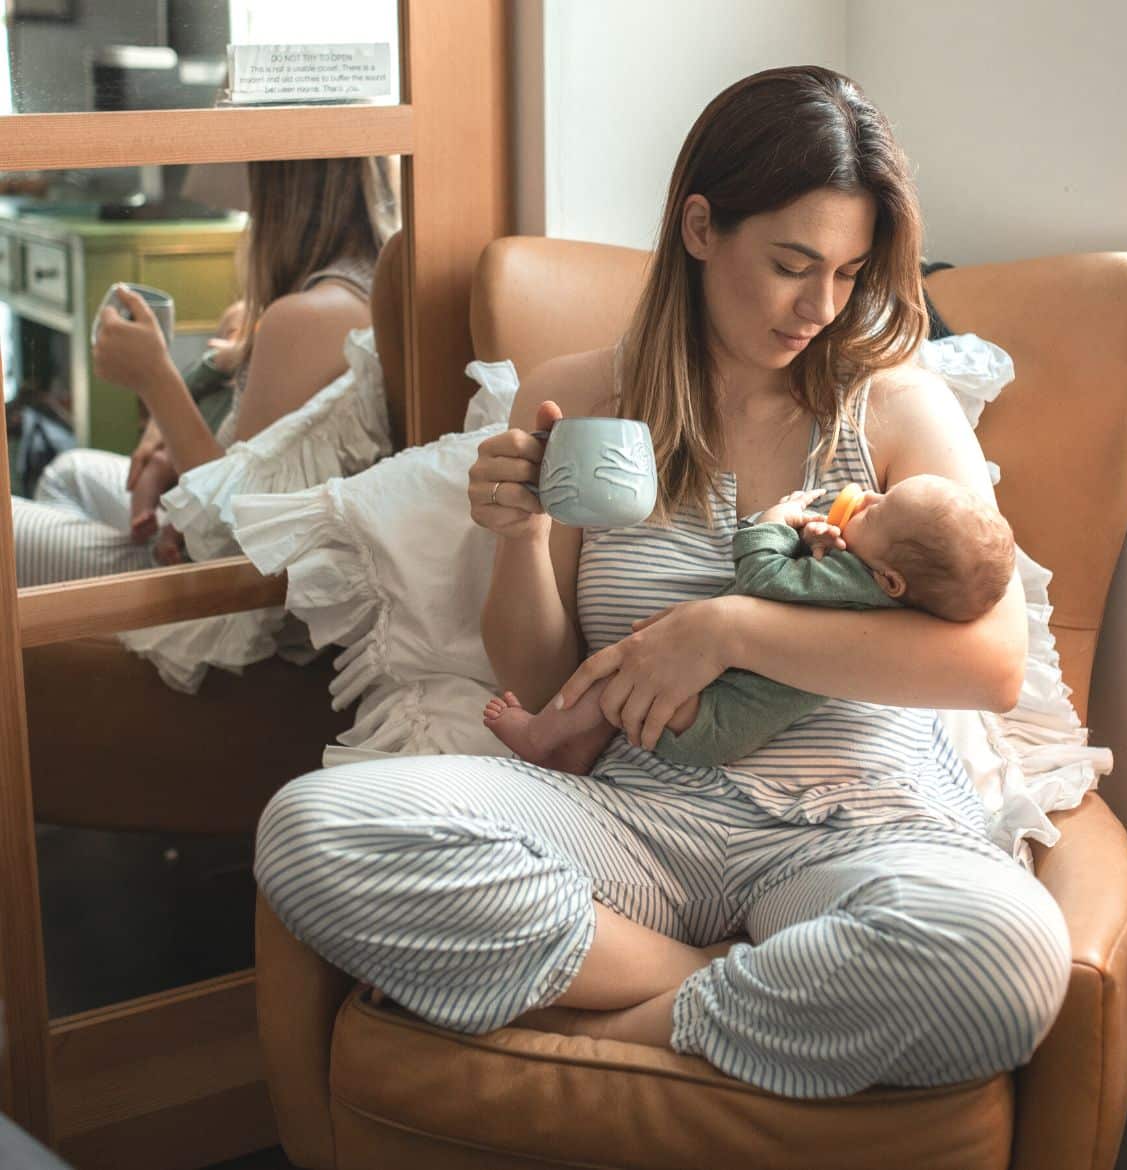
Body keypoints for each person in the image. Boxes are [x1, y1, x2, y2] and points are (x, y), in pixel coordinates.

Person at [254, 66, 1070, 1099]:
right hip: (639, 821)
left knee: (1003, 957)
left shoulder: (899, 406)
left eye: (848, 272)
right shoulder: (576, 396)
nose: (821, 307)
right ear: (699, 228)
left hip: (865, 821)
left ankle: (630, 1019)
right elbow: (545, 675)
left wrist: (728, 630)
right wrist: (519, 528)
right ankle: (711, 989)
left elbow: (991, 665)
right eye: (790, 264)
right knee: (312, 829)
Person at [11, 156, 397, 587]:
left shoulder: (304, 320)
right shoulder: (362, 281)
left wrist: (154, 379)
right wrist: (165, 451)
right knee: (68, 472)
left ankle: (88, 622)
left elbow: (232, 534)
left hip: (213, 589)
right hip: (197, 541)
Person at [482, 475, 1016, 772]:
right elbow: (805, 596)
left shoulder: (853, 585)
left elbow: (765, 580)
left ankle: (540, 735)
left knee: (623, 671)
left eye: (876, 512)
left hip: (715, 719)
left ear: (891, 580)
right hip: (721, 718)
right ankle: (577, 748)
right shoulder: (874, 593)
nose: (867, 498)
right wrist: (816, 545)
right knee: (624, 690)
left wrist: (774, 524)